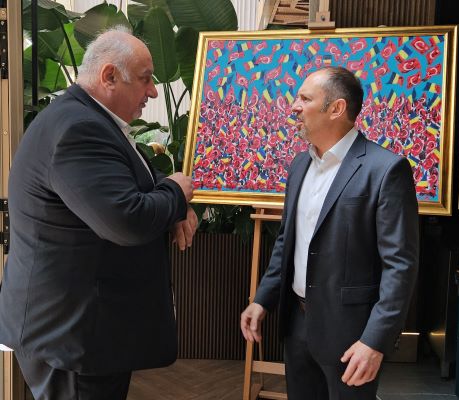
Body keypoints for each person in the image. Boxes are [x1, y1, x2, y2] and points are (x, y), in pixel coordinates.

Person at [0, 27, 198, 400]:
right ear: (109, 76)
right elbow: (125, 219)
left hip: (82, 330)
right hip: (74, 337)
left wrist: (173, 203)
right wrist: (176, 193)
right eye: (145, 79)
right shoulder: (80, 128)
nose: (153, 91)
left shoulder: (87, 118)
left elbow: (131, 177)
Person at [240, 66, 419, 400]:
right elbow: (287, 242)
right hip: (297, 326)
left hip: (352, 336)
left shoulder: (385, 170)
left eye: (305, 98)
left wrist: (375, 341)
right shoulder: (299, 165)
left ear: (336, 108)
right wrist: (262, 299)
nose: (294, 106)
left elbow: (400, 266)